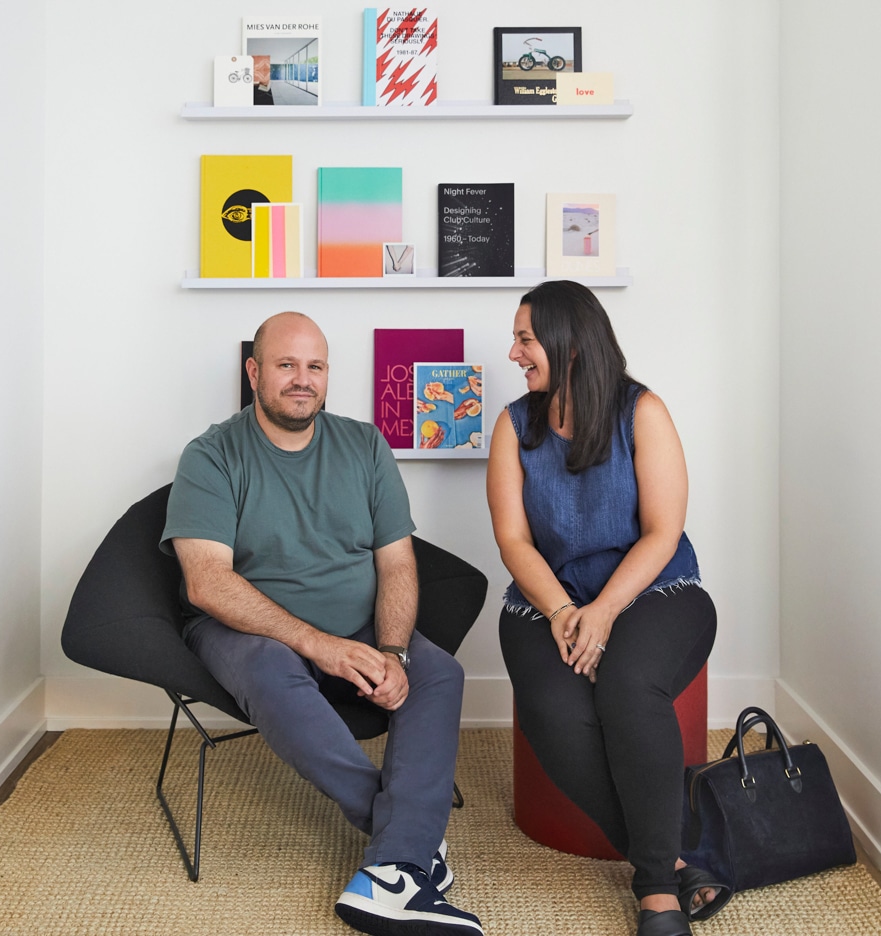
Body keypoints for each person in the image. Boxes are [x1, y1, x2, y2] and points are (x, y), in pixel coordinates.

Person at [160, 311, 484, 936]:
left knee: (437, 674)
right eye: (286, 365)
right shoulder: (212, 455)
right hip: (247, 628)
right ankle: (407, 844)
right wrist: (318, 644)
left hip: (358, 625)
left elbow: (396, 564)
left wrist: (391, 650)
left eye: (315, 367)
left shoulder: (363, 446)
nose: (302, 380)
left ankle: (393, 866)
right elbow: (207, 581)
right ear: (254, 372)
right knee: (273, 666)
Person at [486, 281, 729, 936]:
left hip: (656, 592)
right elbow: (512, 540)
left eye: (524, 338)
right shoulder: (513, 426)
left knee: (626, 688)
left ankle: (656, 893)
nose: (513, 353)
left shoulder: (642, 411)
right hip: (546, 604)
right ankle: (675, 860)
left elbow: (663, 532)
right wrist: (567, 611)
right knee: (553, 715)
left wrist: (603, 612)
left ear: (568, 344)